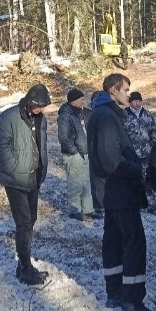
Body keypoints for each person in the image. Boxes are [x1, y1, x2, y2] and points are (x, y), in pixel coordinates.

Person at [87, 73, 156, 311]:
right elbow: (111, 160)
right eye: (126, 89)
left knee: (115, 242)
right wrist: (138, 170)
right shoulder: (107, 117)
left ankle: (116, 293)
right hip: (119, 192)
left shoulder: (107, 114)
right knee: (134, 245)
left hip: (113, 193)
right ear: (112, 90)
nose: (129, 94)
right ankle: (132, 301)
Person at [0, 83, 51, 285]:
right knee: (24, 222)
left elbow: (40, 145)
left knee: (31, 219)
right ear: (30, 102)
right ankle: (25, 267)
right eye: (39, 105)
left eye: (44, 106)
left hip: (33, 177)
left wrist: (41, 168)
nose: (41, 110)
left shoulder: (40, 119)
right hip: (15, 179)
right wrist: (14, 167)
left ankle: (23, 263)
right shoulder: (9, 117)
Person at [58, 88, 97, 221]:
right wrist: (74, 151)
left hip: (84, 152)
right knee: (75, 182)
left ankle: (88, 209)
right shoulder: (65, 115)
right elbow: (63, 138)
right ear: (73, 101)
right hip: (73, 154)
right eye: (81, 99)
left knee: (86, 181)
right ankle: (74, 209)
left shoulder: (81, 113)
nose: (83, 101)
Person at [124, 90, 156, 213]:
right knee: (132, 179)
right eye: (135, 101)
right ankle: (135, 204)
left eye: (140, 101)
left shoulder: (147, 115)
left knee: (147, 179)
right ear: (130, 102)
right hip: (130, 154)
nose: (138, 104)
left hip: (146, 153)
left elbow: (154, 132)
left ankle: (152, 205)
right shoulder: (124, 115)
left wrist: (152, 146)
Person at [84, 90, 105, 217]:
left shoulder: (105, 114)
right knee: (96, 181)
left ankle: (102, 205)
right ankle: (98, 206)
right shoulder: (88, 114)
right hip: (93, 151)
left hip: (103, 150)